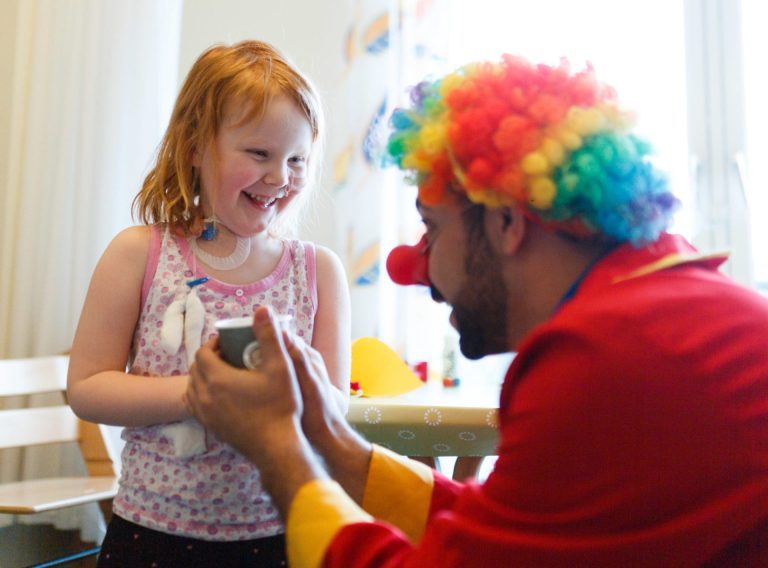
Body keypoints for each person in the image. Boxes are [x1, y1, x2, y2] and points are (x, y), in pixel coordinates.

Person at [185, 55, 768, 567]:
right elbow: (507, 528)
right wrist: (331, 440)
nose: (417, 269)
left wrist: (281, 453)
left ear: (508, 223)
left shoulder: (605, 358)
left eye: (430, 228)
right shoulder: (659, 308)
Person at [67, 40, 350, 567]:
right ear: (196, 146)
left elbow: (337, 410)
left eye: (297, 160)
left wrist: (299, 386)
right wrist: (200, 394)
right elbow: (86, 388)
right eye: (259, 154)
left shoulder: (318, 273)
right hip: (150, 537)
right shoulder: (138, 255)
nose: (279, 177)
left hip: (283, 537)